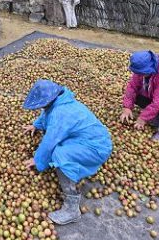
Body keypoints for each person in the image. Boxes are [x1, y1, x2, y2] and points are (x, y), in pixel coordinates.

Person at [22, 79, 113, 225]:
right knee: (58, 147)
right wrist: (36, 125)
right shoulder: (60, 102)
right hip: (93, 140)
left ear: (48, 100)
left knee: (59, 154)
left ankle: (72, 209)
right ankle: (77, 165)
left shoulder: (62, 113)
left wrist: (38, 160)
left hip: (96, 148)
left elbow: (50, 141)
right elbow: (47, 114)